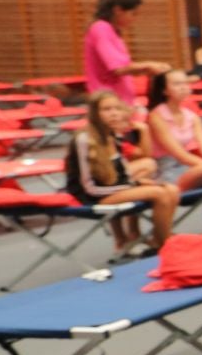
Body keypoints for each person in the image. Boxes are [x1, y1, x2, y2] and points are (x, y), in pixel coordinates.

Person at [67, 91, 178, 259]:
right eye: (106, 109)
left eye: (117, 108)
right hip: (92, 196)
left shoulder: (113, 135)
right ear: (95, 113)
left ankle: (159, 239)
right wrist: (133, 186)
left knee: (171, 189)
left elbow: (122, 171)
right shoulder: (84, 139)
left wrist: (139, 182)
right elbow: (88, 188)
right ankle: (165, 245)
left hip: (110, 189)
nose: (113, 113)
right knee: (158, 193)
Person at [82, 0, 169, 105]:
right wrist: (148, 64)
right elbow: (119, 68)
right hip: (109, 102)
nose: (134, 19)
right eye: (133, 13)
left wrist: (146, 69)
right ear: (118, 10)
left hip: (120, 100)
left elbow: (122, 68)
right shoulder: (101, 28)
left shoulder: (112, 31)